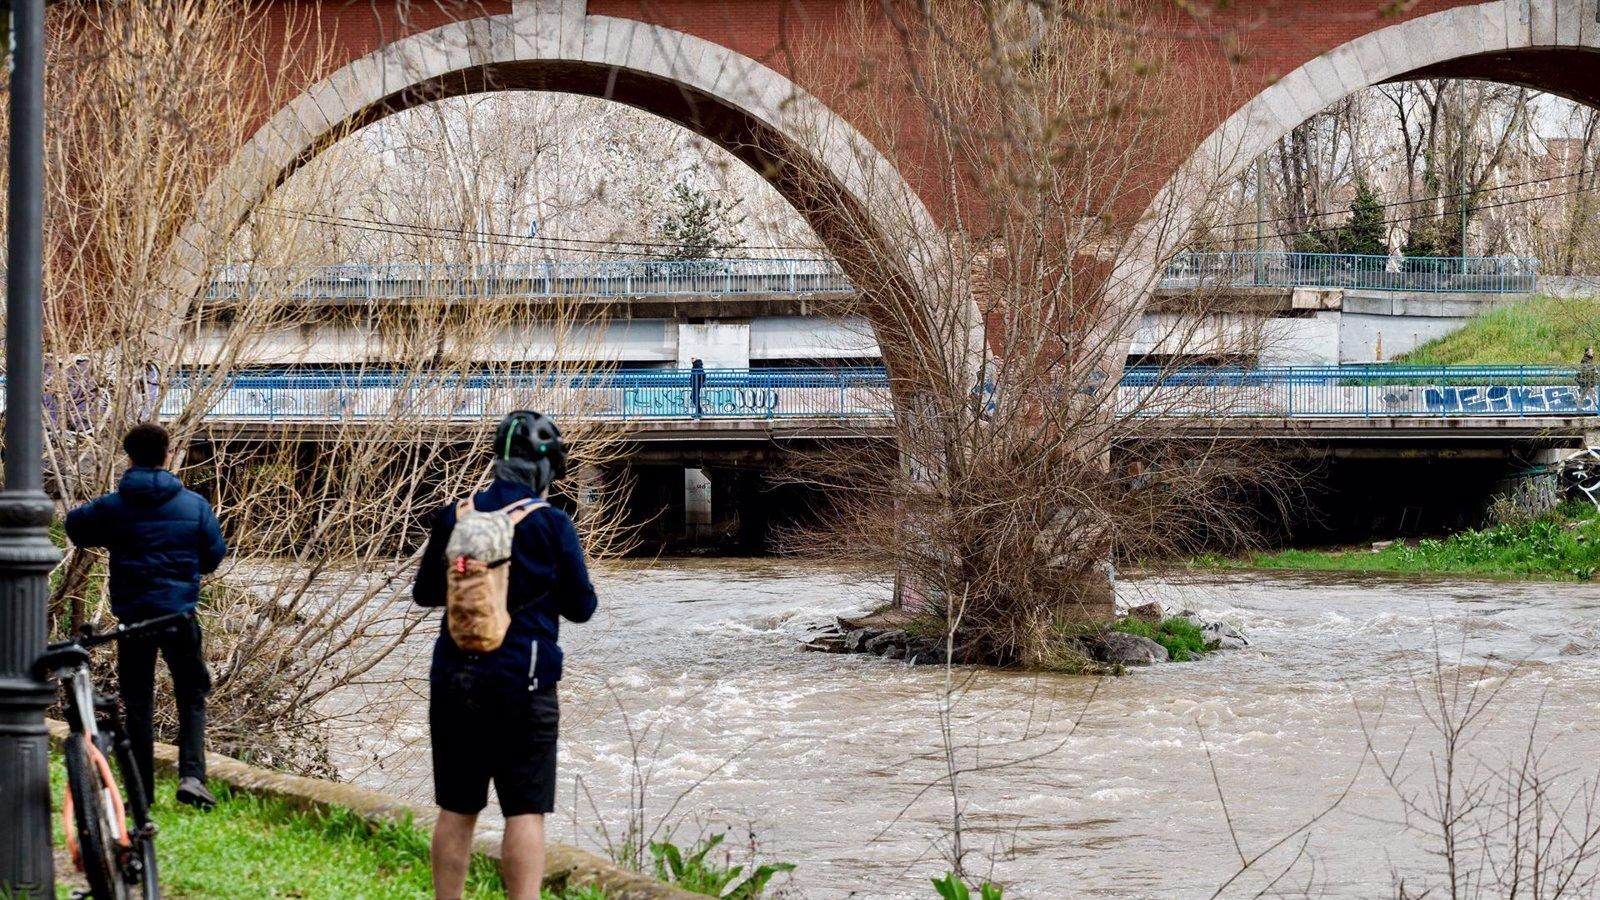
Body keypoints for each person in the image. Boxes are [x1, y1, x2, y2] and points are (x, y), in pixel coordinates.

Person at [413, 411, 597, 900]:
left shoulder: (455, 515)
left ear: (498, 461)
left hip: (455, 679)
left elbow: (427, 594)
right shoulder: (552, 524)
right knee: (524, 812)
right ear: (544, 469)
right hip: (525, 683)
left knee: (457, 809)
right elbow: (582, 608)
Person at [64, 423, 225, 810]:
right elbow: (213, 556)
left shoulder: (113, 506)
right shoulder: (194, 505)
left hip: (134, 619)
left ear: (129, 456)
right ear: (167, 454)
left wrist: (115, 536)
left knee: (137, 702)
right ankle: (191, 776)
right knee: (192, 694)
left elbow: (75, 528)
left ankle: (142, 791)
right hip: (179, 616)